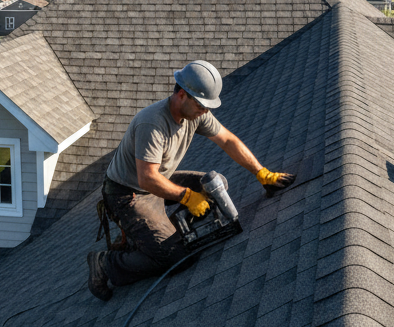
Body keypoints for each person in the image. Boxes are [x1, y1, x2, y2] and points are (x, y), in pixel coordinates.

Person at [87, 60, 295, 301]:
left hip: (158, 180)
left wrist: (262, 173)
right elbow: (147, 178)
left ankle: (151, 232)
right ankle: (106, 262)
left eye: (207, 107)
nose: (205, 111)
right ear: (182, 95)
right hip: (129, 194)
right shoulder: (152, 123)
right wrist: (187, 196)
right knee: (175, 257)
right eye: (201, 105)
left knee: (216, 186)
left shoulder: (196, 113)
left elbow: (227, 140)